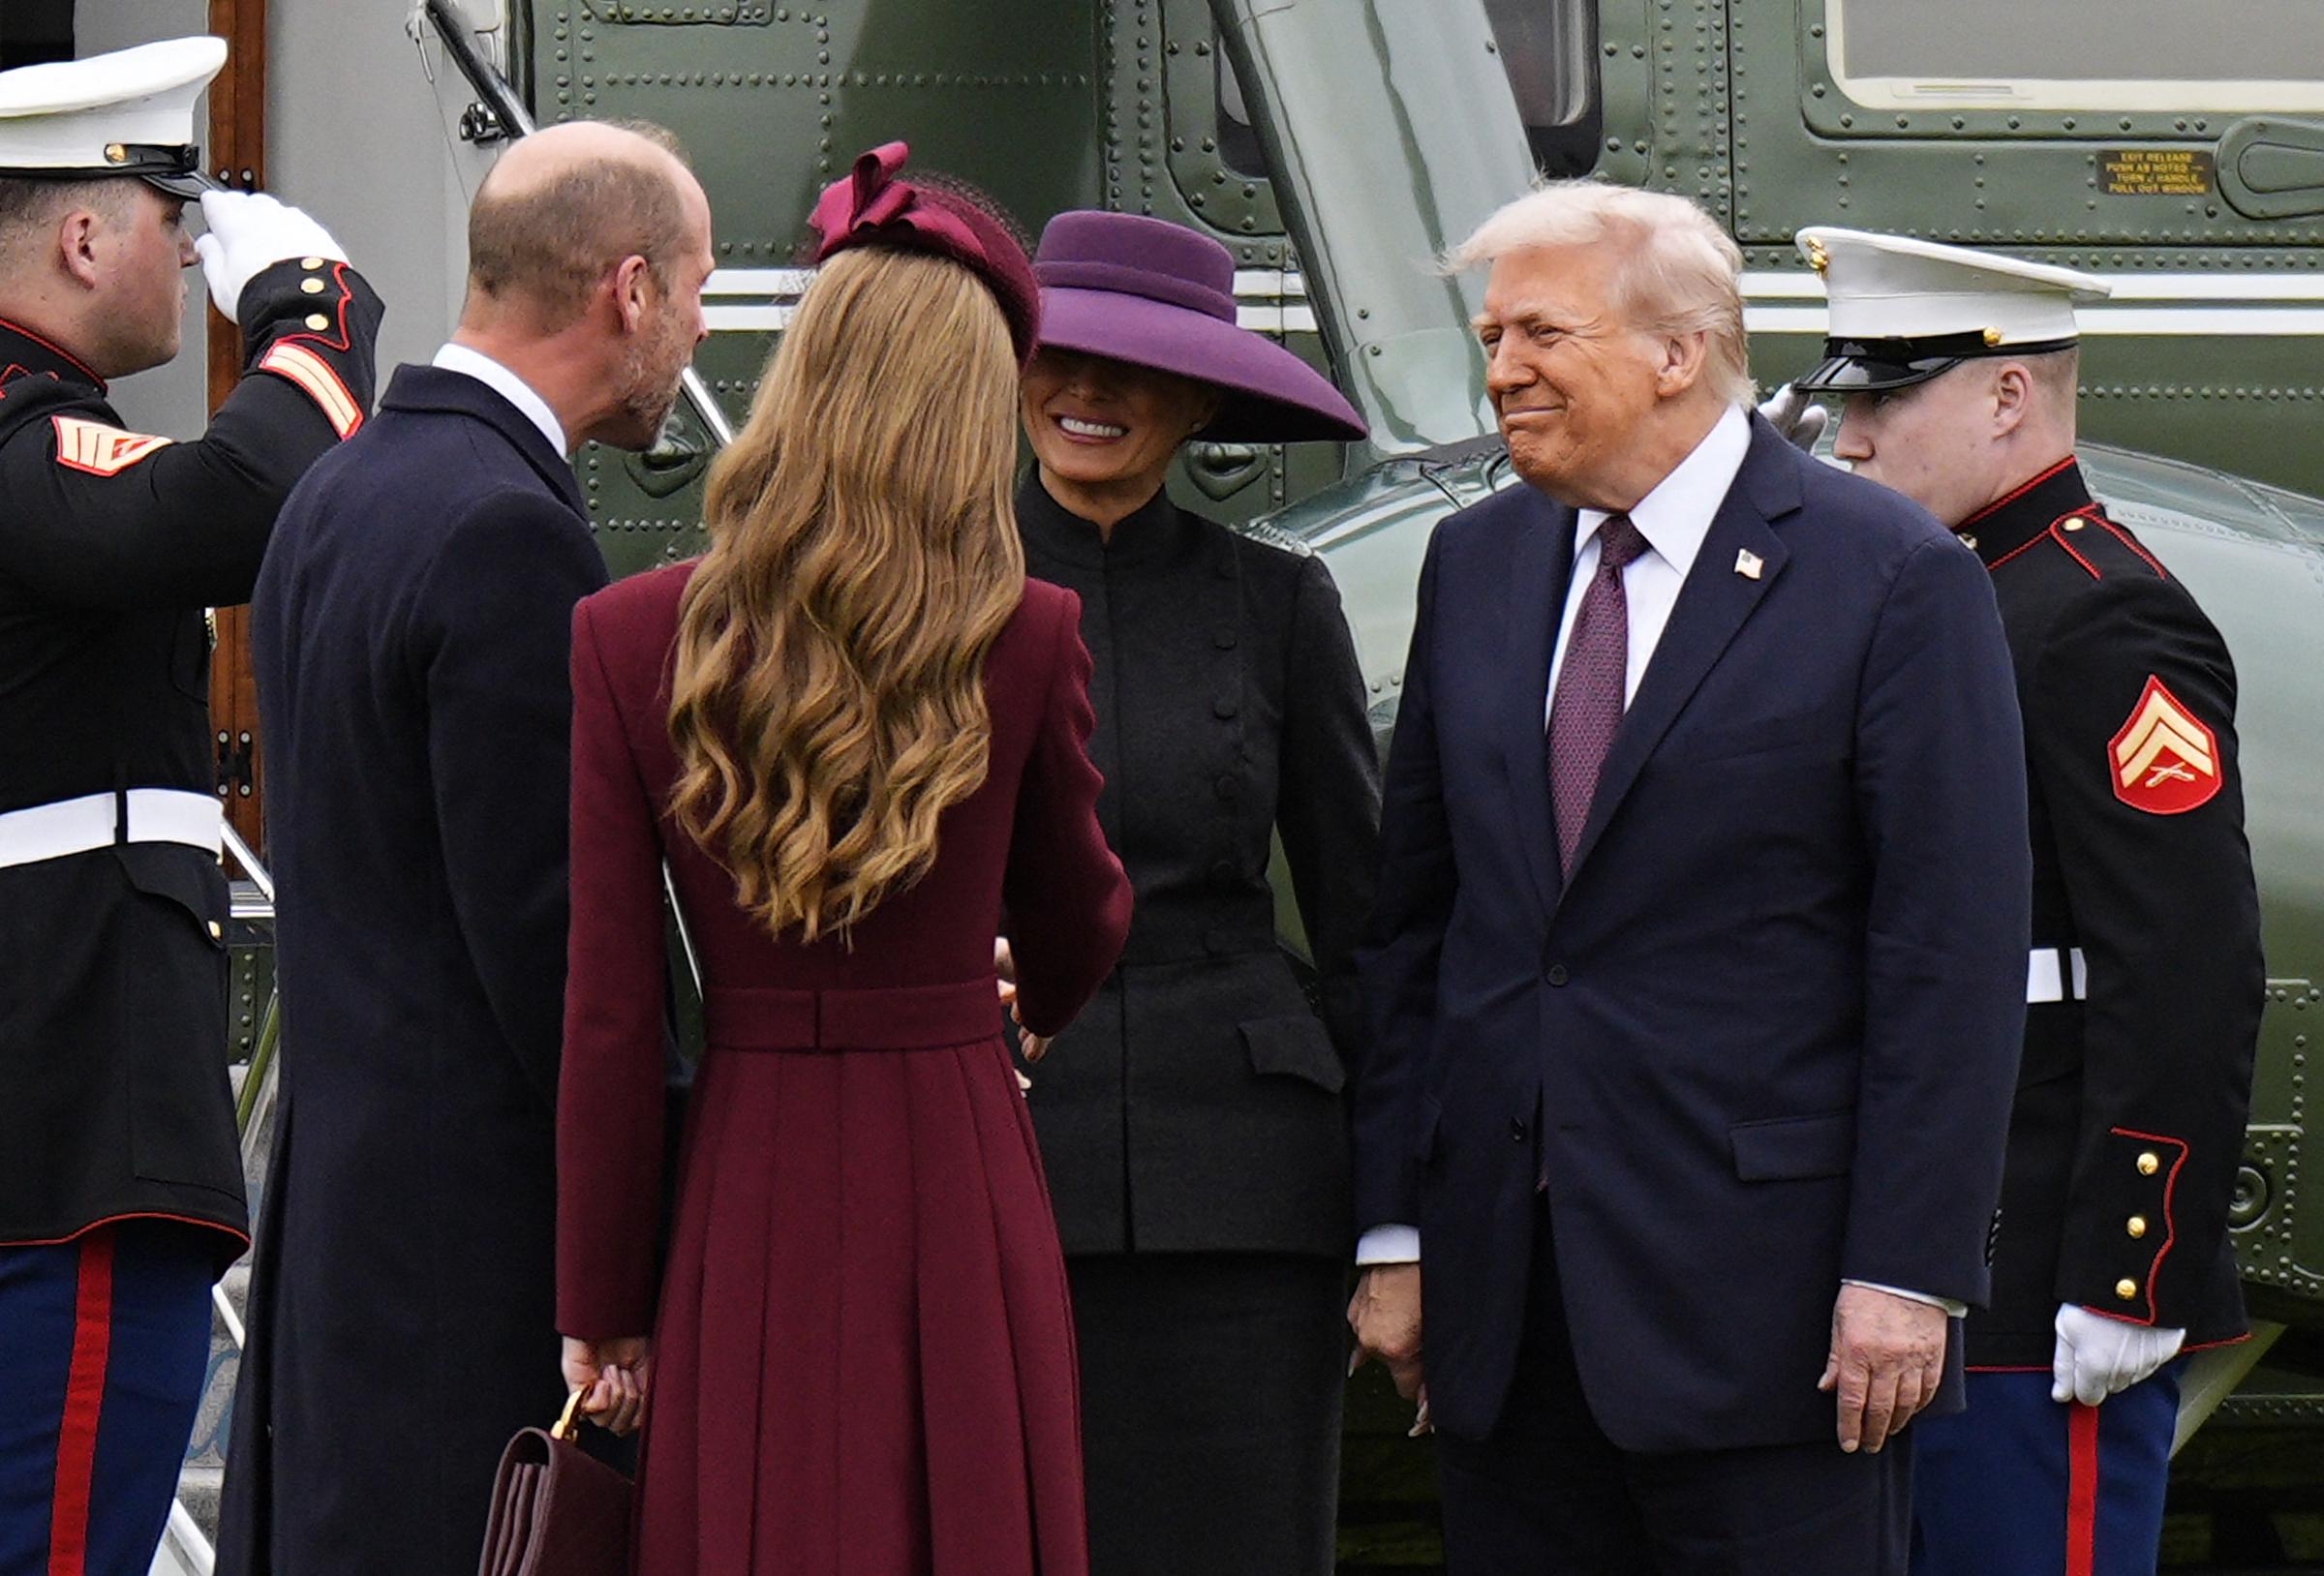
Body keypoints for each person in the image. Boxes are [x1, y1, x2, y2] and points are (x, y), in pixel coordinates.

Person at [1341, 179, 2034, 1575]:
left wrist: (1905, 1275)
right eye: (1490, 336)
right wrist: (1397, 1228)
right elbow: (1415, 926)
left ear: (1678, 350)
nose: (1501, 371)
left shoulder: (1888, 576)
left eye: (1542, 330)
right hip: (1507, 1317)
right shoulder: (1473, 564)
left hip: (1772, 1330)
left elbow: (1948, 954)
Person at [556, 142, 1131, 1576]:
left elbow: (616, 1012)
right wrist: (1013, 1002)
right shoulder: (1031, 630)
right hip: (954, 1150)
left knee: (761, 1519)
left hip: (749, 1170)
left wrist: (601, 1293)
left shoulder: (631, 639)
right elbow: (1081, 923)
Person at [216, 120, 713, 1576]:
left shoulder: (335, 496)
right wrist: (641, 1237)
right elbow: (561, 959)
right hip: (468, 1275)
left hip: (341, 1243)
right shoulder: (508, 533)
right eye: (688, 293)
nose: (691, 335)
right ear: (627, 290)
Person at [1797, 227, 2265, 1576]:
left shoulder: (2099, 618)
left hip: (2035, 1267)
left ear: (2007, 397)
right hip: (1909, 1242)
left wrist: (2133, 1265)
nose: (1853, 435)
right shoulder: (1931, 595)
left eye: (1887, 396)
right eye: (1845, 396)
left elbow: (2183, 966)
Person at [0, 36, 381, 1576]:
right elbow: (253, 497)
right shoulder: (20, 440)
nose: (193, 244)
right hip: (65, 1154)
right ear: (87, 232)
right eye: (179, 205)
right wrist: (317, 316)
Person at [1002, 208, 1375, 1575]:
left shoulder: (1280, 605)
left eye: (1135, 369)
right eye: (1063, 357)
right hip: (1002, 1166)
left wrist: (1395, 1214)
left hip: (1247, 1200)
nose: (1088, 395)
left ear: (1202, 399)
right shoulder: (928, 586)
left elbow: (1364, 929)